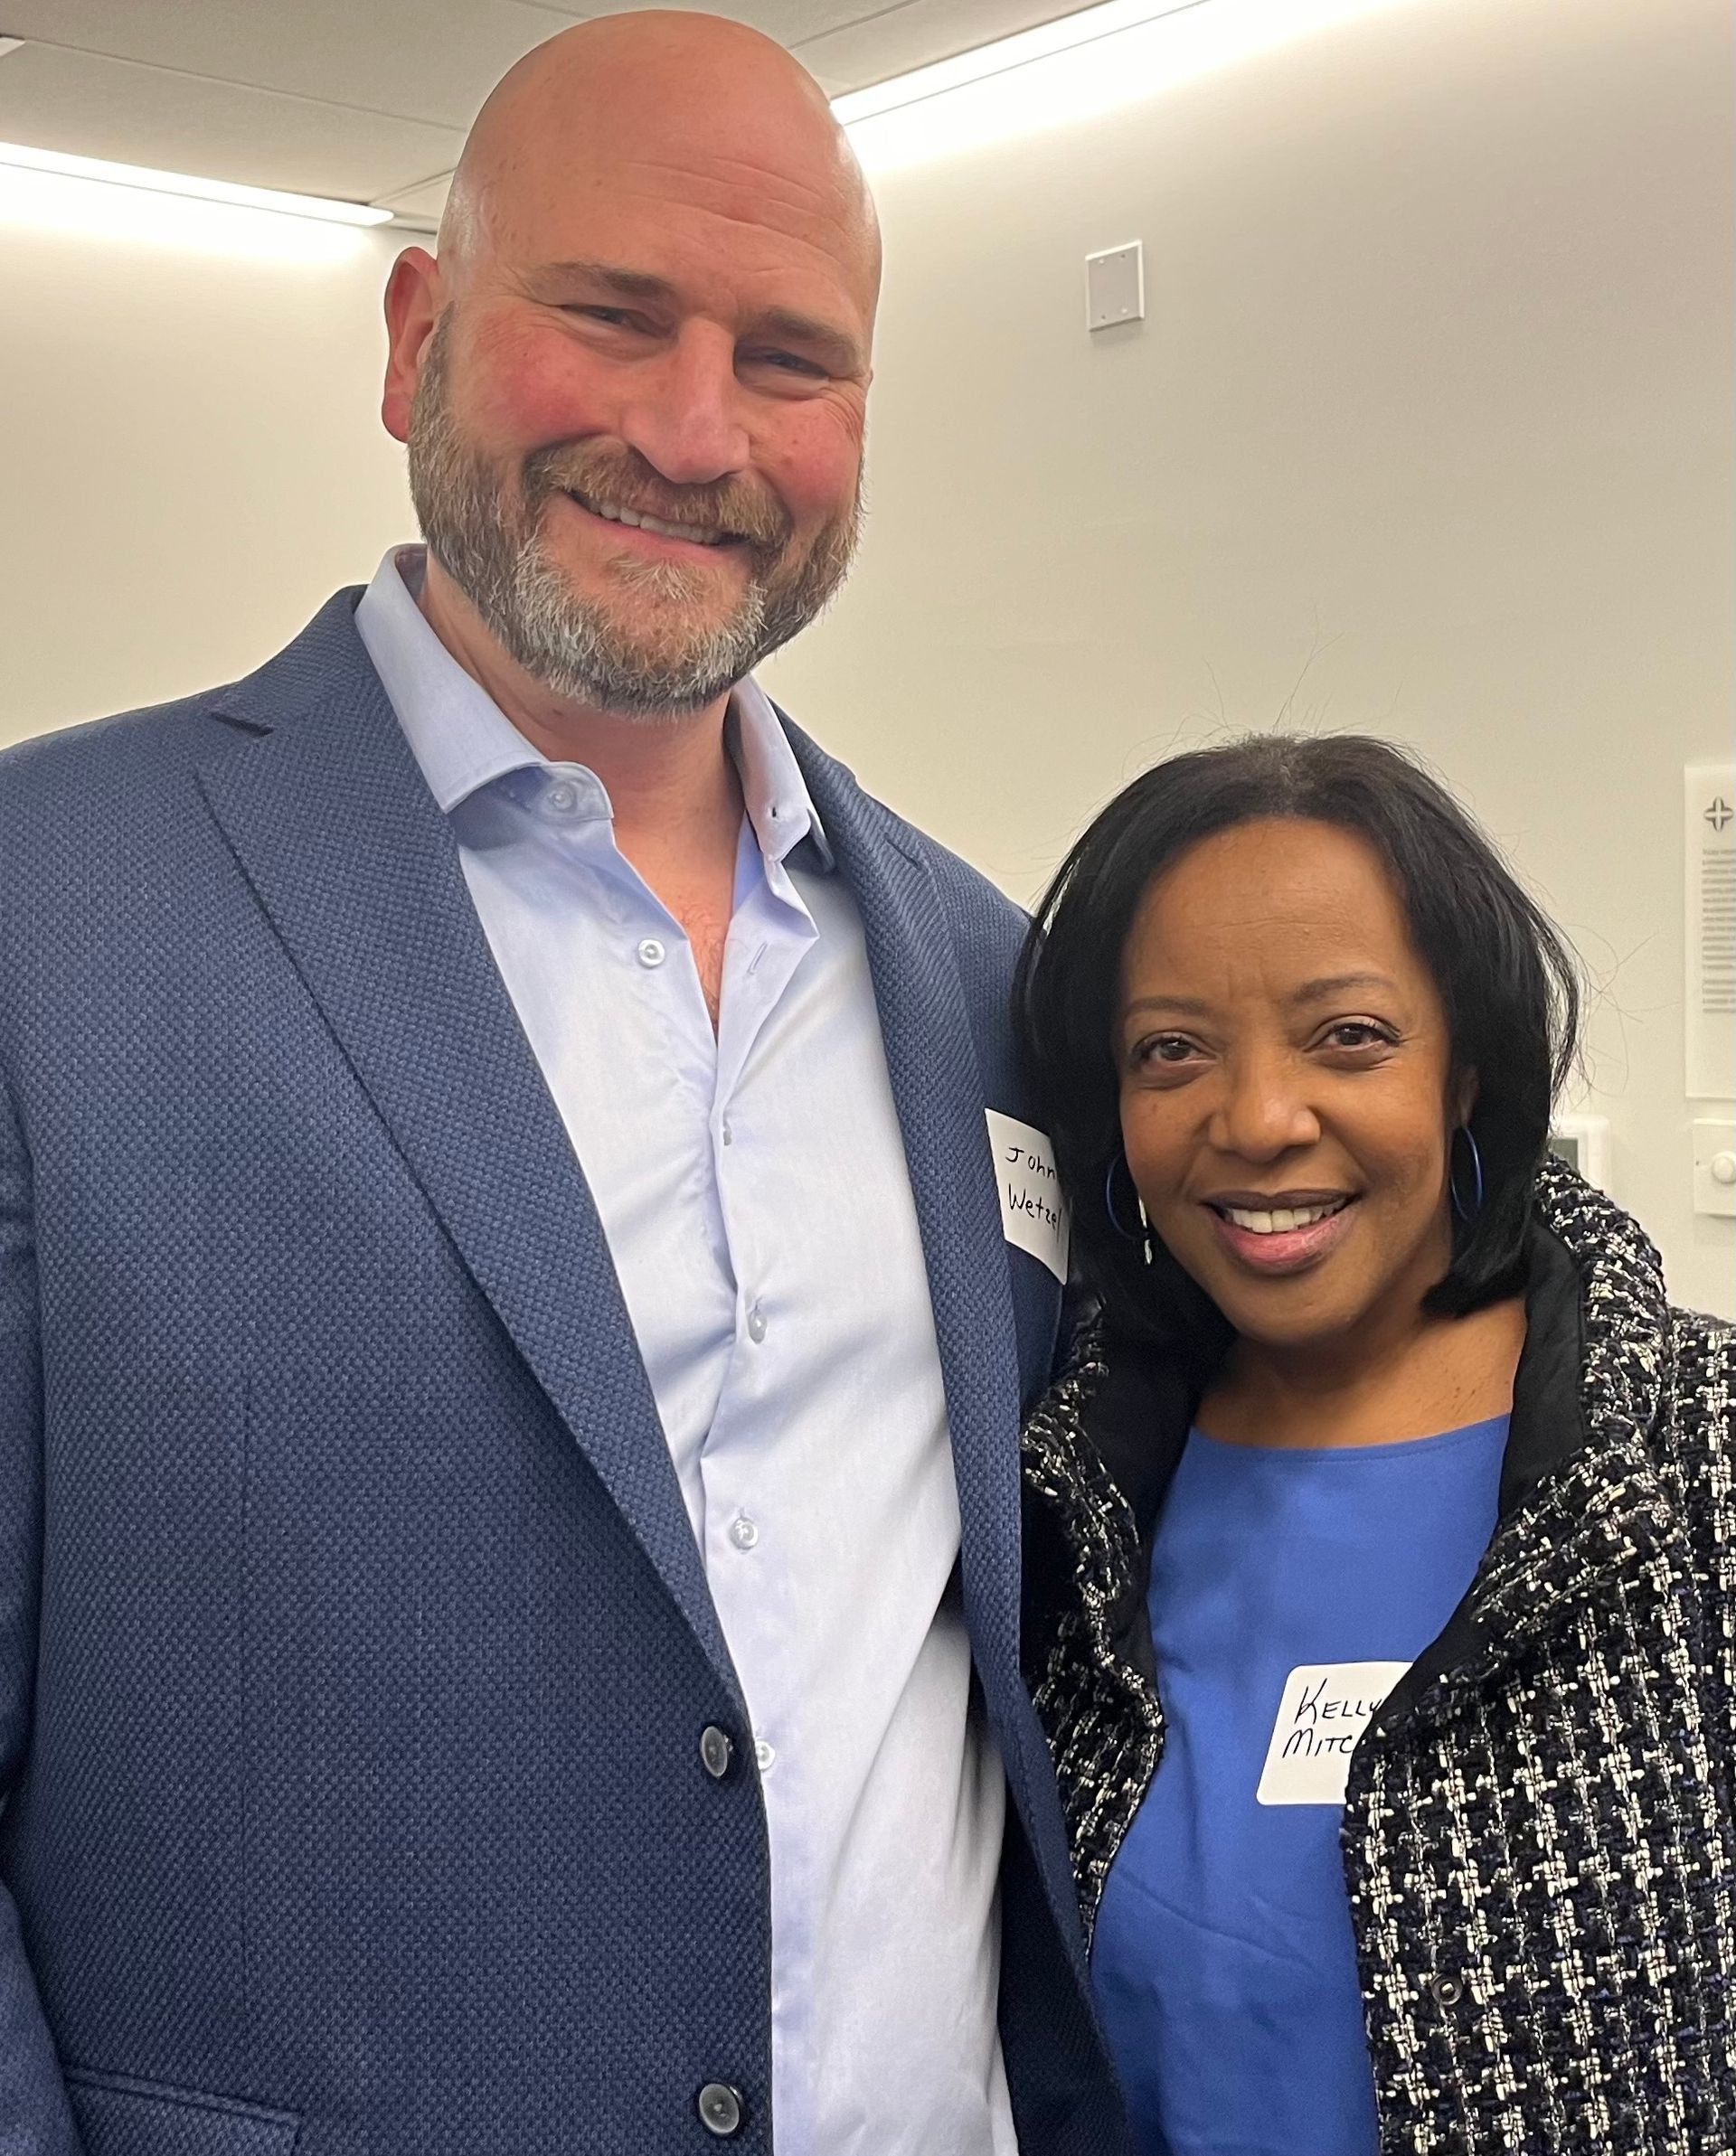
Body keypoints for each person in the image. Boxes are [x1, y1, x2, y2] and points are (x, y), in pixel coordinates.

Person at [0, 17, 1124, 2152]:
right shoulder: (44, 912)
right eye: (611, 317)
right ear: (417, 334)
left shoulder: (989, 980)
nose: (696, 430)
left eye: (790, 358)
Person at [1014, 732, 1736, 2156]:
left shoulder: (1694, 1451)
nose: (1262, 1118)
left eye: (1348, 1036)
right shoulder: (1058, 1492)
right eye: (1173, 1049)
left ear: (1465, 1070)